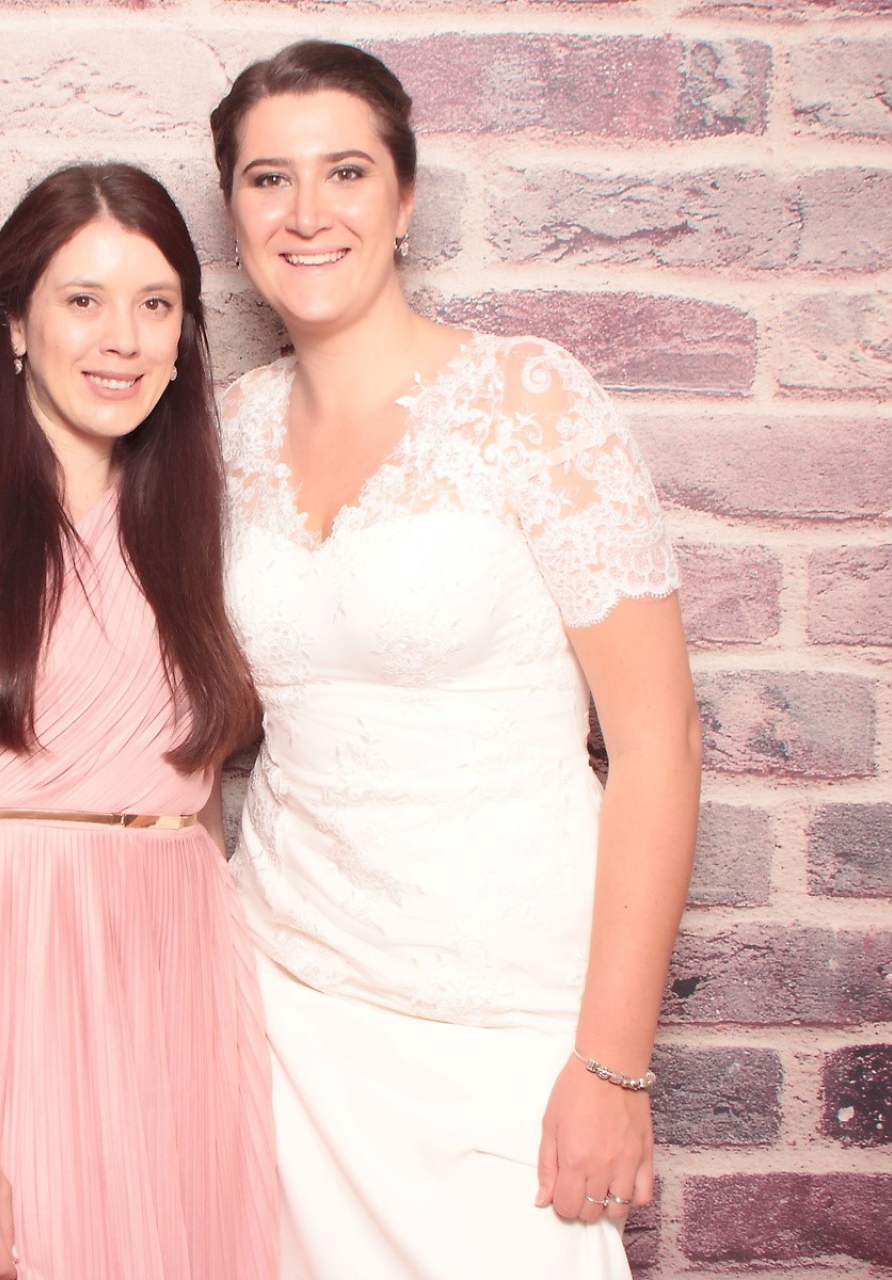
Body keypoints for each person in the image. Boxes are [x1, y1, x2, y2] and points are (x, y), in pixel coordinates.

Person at [208, 41, 703, 1279]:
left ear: (405, 199)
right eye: (269, 179)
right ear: (233, 211)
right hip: (281, 999)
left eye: (346, 172)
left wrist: (611, 1063)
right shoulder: (226, 430)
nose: (307, 212)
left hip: (503, 1013)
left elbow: (658, 744)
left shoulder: (529, 401)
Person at [0, 163, 276, 1280]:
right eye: (83, 299)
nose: (123, 337)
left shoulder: (196, 529)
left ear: (185, 337)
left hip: (177, 978)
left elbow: (195, 799)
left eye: (156, 303)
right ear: (15, 326)